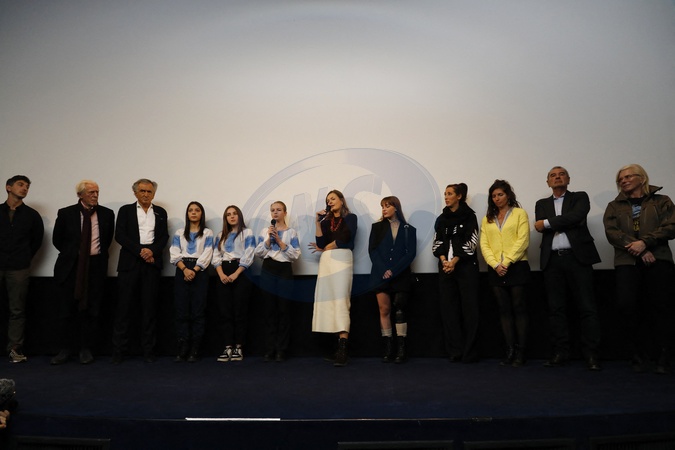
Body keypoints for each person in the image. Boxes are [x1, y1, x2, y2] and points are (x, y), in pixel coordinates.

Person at [603, 164, 675, 374]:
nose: (623, 181)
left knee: (661, 307)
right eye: (620, 179)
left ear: (642, 178)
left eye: (628, 177)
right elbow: (612, 233)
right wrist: (639, 250)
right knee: (627, 306)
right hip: (627, 263)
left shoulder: (661, 201)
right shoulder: (614, 206)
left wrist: (645, 242)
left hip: (659, 261)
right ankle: (637, 354)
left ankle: (663, 356)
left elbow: (671, 227)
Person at [534, 166, 602, 371]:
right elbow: (548, 224)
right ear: (548, 182)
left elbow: (577, 217)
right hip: (552, 261)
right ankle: (560, 353)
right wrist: (564, 221)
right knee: (556, 309)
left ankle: (591, 354)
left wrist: (547, 223)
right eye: (553, 175)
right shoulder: (541, 203)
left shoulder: (580, 197)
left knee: (587, 308)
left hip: (577, 259)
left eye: (561, 174)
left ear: (568, 179)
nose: (557, 177)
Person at [51, 180, 115, 365]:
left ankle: (86, 349)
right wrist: (74, 254)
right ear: (80, 195)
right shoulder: (66, 213)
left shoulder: (107, 214)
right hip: (71, 267)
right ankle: (65, 349)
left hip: (95, 267)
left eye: (97, 192)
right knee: (66, 309)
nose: (95, 195)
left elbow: (106, 240)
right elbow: (57, 239)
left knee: (91, 309)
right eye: (90, 192)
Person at [111, 179, 169, 364]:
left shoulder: (160, 212)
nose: (145, 194)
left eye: (149, 191)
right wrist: (140, 251)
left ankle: (148, 351)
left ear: (154, 194)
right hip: (130, 264)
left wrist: (151, 251)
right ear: (135, 193)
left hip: (151, 264)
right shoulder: (125, 210)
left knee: (149, 309)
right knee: (124, 308)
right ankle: (119, 351)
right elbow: (120, 235)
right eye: (142, 191)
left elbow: (164, 237)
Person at [479, 180, 531, 367]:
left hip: (516, 266)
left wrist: (507, 262)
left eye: (500, 194)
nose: (497, 198)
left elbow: (523, 240)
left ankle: (521, 352)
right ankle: (509, 350)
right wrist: (495, 264)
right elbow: (484, 244)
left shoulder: (519, 213)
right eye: (493, 196)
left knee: (519, 308)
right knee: (504, 310)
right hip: (495, 269)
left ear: (508, 195)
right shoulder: (487, 218)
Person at [309, 189, 358, 367]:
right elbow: (321, 243)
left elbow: (346, 237)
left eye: (333, 198)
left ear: (341, 200)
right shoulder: (326, 222)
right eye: (328, 200)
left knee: (341, 301)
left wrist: (330, 245)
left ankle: (343, 349)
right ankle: (337, 349)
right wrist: (317, 222)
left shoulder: (351, 218)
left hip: (342, 258)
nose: (330, 201)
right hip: (326, 261)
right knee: (328, 302)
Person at [432, 184, 480, 363]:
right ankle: (455, 350)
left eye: (450, 194)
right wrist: (445, 260)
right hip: (445, 269)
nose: (446, 197)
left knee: (470, 310)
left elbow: (472, 242)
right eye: (445, 194)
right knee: (449, 310)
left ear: (459, 196)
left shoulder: (470, 216)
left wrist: (455, 261)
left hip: (466, 268)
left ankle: (470, 352)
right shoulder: (441, 219)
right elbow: (436, 242)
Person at [1, 175, 44, 363]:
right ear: (8, 187)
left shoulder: (32, 216)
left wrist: (24, 257)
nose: (24, 188)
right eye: (20, 185)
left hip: (19, 267)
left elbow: (36, 241)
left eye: (27, 186)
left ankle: (14, 349)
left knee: (17, 310)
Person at [369, 196, 417, 363]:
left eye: (387, 206)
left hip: (401, 275)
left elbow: (410, 254)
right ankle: (388, 347)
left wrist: (393, 270)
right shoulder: (376, 227)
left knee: (400, 309)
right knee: (384, 310)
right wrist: (384, 270)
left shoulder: (409, 229)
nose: (384, 209)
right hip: (380, 275)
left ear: (396, 207)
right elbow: (372, 251)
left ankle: (401, 348)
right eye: (382, 206)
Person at [254, 201, 301, 362]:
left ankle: (281, 349)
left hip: (284, 270)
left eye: (279, 210)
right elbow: (258, 253)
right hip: (268, 269)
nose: (275, 212)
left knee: (283, 310)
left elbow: (295, 255)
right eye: (273, 210)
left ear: (285, 213)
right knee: (269, 310)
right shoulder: (265, 231)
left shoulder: (291, 232)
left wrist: (280, 242)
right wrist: (269, 239)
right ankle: (269, 348)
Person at [169, 201, 213, 363]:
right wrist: (184, 269)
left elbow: (207, 253)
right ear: (187, 214)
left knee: (198, 311)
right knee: (181, 311)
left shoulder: (207, 233)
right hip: (182, 269)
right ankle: (183, 347)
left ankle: (195, 348)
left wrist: (194, 270)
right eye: (190, 210)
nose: (193, 213)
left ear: (201, 214)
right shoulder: (180, 233)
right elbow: (174, 252)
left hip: (199, 271)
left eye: (197, 210)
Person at [212, 205, 255, 362]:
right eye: (228, 214)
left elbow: (249, 254)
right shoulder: (220, 235)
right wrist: (221, 274)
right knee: (225, 311)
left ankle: (238, 346)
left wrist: (236, 274)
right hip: (223, 271)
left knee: (239, 311)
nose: (232, 216)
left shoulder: (247, 233)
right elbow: (215, 256)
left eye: (234, 213)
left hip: (241, 272)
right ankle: (228, 346)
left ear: (239, 216)